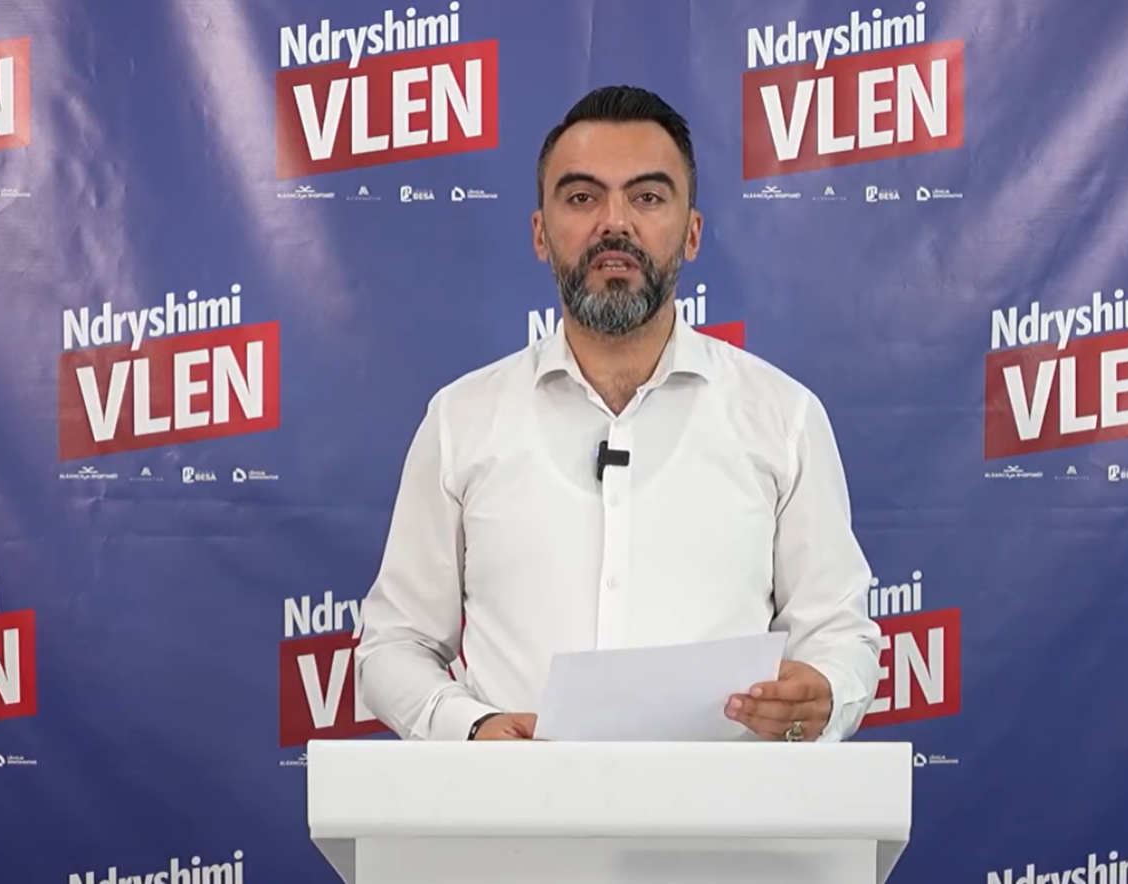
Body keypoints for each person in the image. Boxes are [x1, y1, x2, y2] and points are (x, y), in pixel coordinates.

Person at [355, 85, 882, 742]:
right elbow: (393, 646)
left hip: (721, 804)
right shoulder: (461, 420)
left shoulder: (783, 417)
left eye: (648, 197)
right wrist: (474, 727)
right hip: (516, 803)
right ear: (540, 234)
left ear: (692, 234)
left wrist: (825, 691)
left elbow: (839, 635)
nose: (614, 223)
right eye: (582, 197)